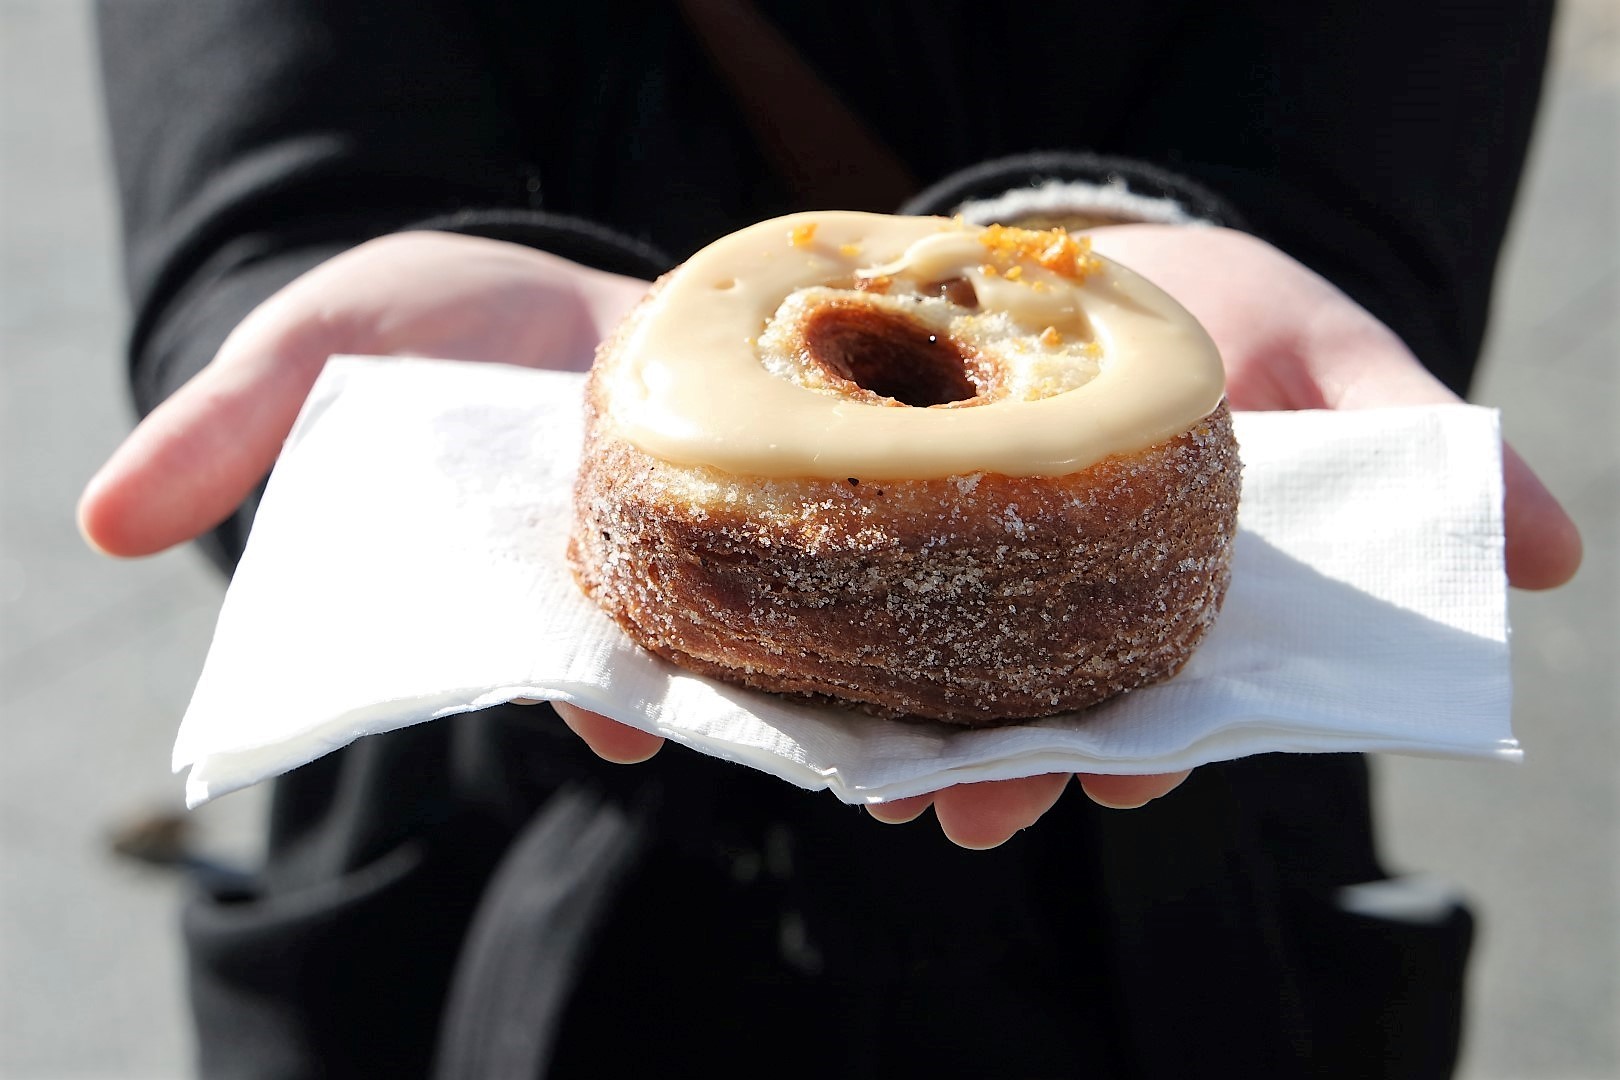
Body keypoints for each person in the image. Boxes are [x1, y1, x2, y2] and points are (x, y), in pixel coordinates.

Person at [84, 2, 1581, 1076]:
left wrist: (1143, 232)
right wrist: (356, 389)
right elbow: (265, 139)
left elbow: (1369, 110)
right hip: (489, 856)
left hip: (1179, 923)